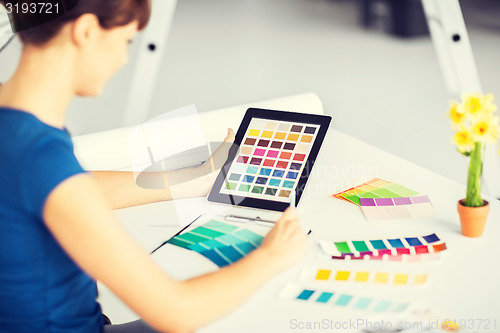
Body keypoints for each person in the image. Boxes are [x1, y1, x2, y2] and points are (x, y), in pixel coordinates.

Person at [0, 0, 308, 332]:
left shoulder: (17, 128)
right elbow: (176, 312)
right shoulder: (40, 157)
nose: (122, 59)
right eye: (126, 41)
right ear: (86, 31)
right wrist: (270, 258)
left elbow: (66, 191)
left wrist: (193, 179)